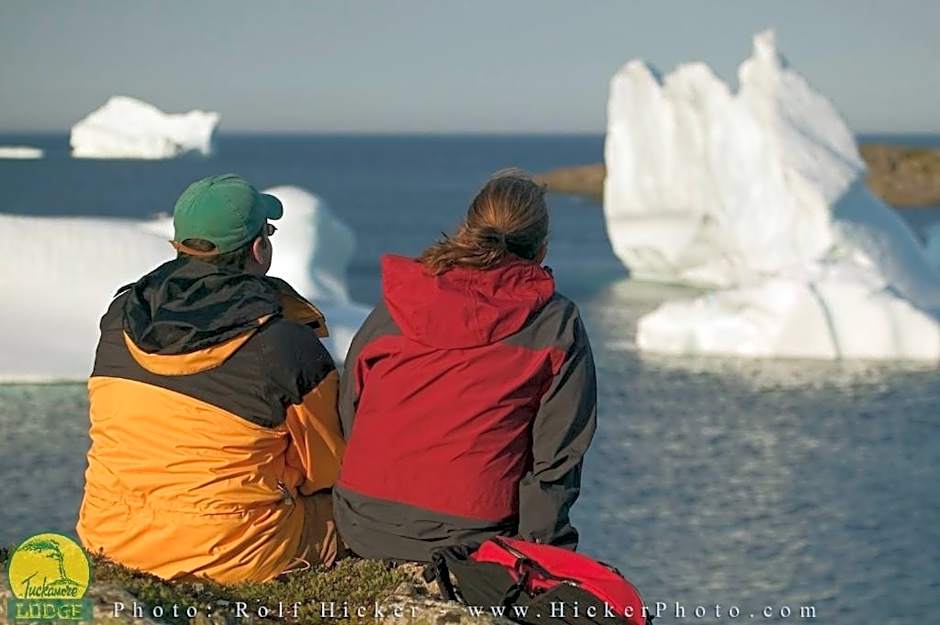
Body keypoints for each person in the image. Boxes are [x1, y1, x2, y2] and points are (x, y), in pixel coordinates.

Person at [77, 174, 345, 583]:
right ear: (258, 249)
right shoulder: (281, 344)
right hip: (231, 555)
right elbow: (328, 466)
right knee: (354, 514)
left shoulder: (121, 317)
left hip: (111, 540)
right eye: (268, 232)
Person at [334, 169, 597, 562]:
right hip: (469, 537)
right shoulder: (555, 325)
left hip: (361, 522)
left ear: (466, 230)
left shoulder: (405, 298)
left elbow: (350, 403)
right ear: (541, 250)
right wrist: (542, 557)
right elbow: (557, 458)